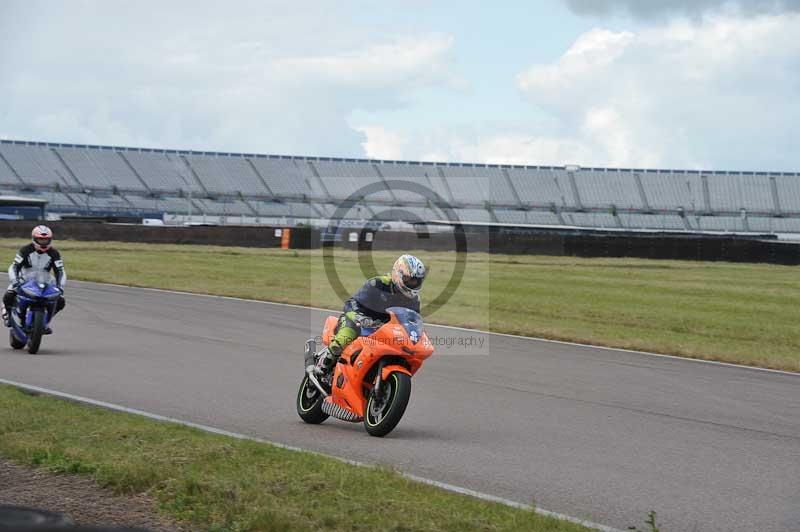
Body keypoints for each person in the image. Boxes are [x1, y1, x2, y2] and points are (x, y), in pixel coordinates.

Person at [314, 254, 426, 380]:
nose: (412, 283)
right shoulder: (378, 283)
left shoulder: (413, 299)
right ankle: (325, 361)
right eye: (409, 280)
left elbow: (413, 319)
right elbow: (353, 303)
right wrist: (359, 317)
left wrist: (417, 332)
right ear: (397, 274)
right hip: (358, 320)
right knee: (347, 335)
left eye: (416, 281)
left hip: (383, 330)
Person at [2, 225, 67, 333]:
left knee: (60, 301)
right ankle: (8, 316)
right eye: (41, 239)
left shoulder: (54, 253)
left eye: (46, 240)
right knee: (8, 295)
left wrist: (60, 287)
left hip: (45, 282)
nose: (43, 242)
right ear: (34, 239)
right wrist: (15, 281)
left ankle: (45, 321)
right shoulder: (25, 250)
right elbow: (14, 266)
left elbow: (60, 271)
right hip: (24, 280)